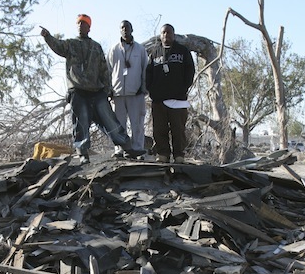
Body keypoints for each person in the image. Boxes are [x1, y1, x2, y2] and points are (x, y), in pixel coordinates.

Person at [40, 14, 132, 162]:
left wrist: (107, 89)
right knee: (81, 122)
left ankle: (126, 145)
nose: (80, 26)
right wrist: (47, 36)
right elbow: (57, 46)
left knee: (109, 119)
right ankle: (82, 152)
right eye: (79, 24)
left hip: (96, 91)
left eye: (84, 24)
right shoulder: (71, 44)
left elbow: (104, 69)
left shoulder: (96, 46)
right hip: (78, 90)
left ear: (89, 28)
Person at [146, 23, 195, 164]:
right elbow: (148, 73)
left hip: (178, 99)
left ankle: (179, 156)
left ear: (173, 34)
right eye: (163, 33)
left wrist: (183, 87)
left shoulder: (183, 51)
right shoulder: (154, 53)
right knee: (159, 129)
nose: (166, 35)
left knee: (178, 129)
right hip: (159, 100)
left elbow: (190, 70)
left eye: (169, 32)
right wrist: (152, 90)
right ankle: (163, 154)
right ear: (160, 35)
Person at [107, 20, 148, 158]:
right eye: (122, 28)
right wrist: (109, 89)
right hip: (118, 93)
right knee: (118, 125)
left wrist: (143, 88)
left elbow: (145, 70)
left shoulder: (140, 49)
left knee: (137, 124)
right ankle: (120, 149)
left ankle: (137, 149)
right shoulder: (114, 49)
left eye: (127, 27)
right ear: (120, 30)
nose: (125, 30)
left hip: (135, 93)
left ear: (132, 29)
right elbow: (108, 70)